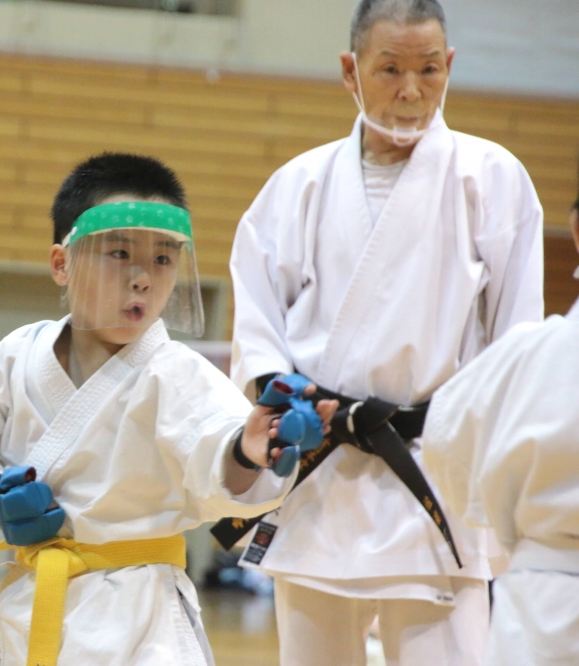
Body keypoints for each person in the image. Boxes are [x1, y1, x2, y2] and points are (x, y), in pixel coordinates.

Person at [0, 152, 338, 666]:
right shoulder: (16, 356)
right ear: (61, 263)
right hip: (31, 602)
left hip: (143, 623)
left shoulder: (177, 372)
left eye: (163, 259)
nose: (143, 277)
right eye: (119, 253)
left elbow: (218, 444)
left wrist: (249, 449)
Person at [224, 1, 544, 664]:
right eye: (390, 68)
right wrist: (286, 408)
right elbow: (257, 330)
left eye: (429, 70)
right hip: (320, 474)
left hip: (439, 477)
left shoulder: (493, 179)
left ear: (449, 66)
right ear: (351, 71)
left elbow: (519, 346)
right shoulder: (296, 187)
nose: (410, 90)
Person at [420, 314, 579, 665]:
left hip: (537, 589)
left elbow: (444, 442)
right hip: (535, 579)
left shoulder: (526, 351)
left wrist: (489, 515)